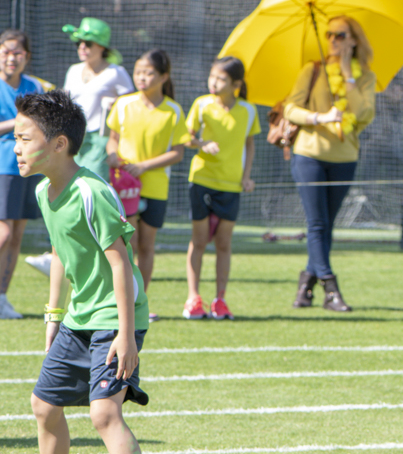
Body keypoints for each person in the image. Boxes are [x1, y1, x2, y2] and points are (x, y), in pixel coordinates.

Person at [0, 89, 164, 454]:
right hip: (79, 317)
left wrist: (128, 336)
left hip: (116, 316)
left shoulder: (92, 193)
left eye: (24, 138)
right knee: (43, 405)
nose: (16, 146)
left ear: (59, 144)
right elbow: (58, 256)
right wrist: (54, 313)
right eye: (15, 137)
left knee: (104, 413)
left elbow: (119, 264)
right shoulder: (43, 191)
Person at [283, 15, 377, 312]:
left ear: (353, 40)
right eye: (330, 35)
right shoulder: (312, 69)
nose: (333, 40)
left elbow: (363, 113)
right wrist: (319, 118)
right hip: (309, 154)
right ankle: (330, 287)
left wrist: (348, 74)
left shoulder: (365, 77)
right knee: (318, 223)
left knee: (326, 225)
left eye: (340, 35)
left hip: (344, 158)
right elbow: (290, 109)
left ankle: (305, 286)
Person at [182, 56, 259, 321]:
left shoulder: (248, 111)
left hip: (231, 185)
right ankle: (193, 298)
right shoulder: (201, 104)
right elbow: (187, 138)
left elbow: (249, 144)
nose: (214, 83)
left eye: (221, 79)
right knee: (200, 241)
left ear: (236, 84)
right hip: (202, 180)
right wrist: (202, 143)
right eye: (212, 76)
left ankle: (220, 300)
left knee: (224, 243)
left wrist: (247, 176)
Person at [105, 49, 187, 298]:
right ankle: (121, 299)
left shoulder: (173, 111)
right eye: (138, 71)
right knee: (125, 245)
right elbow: (112, 140)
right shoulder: (123, 104)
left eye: (149, 73)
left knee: (146, 246)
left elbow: (178, 152)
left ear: (164, 77)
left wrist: (144, 166)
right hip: (124, 187)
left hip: (155, 187)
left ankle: (140, 300)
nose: (141, 77)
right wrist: (112, 155)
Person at [0, 29, 42, 319]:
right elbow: (25, 123)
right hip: (2, 166)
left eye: (17, 52)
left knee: (17, 237)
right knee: (3, 233)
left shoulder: (34, 86)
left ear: (26, 57)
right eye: (6, 51)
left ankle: (3, 297)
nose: (11, 58)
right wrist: (18, 121)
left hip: (28, 168)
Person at [61, 18, 133, 179]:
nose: (82, 47)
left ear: (102, 46)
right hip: (73, 137)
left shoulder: (116, 72)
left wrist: (117, 103)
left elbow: (132, 105)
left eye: (88, 43)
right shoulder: (73, 70)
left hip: (101, 140)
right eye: (79, 43)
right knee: (71, 184)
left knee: (93, 184)